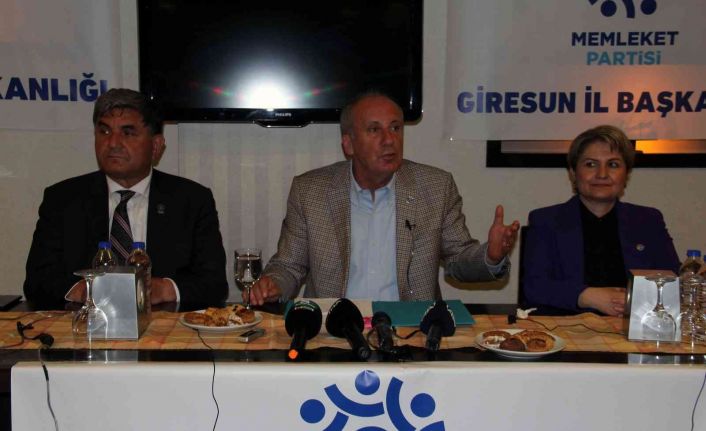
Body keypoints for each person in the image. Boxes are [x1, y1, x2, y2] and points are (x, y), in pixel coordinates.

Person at [247, 92, 519, 304]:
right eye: (374, 130)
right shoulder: (310, 191)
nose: (389, 140)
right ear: (349, 144)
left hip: (411, 332)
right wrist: (273, 284)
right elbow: (289, 266)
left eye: (395, 128)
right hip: (335, 330)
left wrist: (491, 255)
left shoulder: (435, 187)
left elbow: (459, 260)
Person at [24, 88, 228, 306]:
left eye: (127, 133)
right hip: (87, 325)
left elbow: (214, 285)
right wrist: (83, 290)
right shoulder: (62, 200)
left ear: (156, 146)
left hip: (162, 325)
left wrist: (163, 289)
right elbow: (37, 283)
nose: (113, 143)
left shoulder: (192, 200)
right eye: (104, 131)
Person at [522, 125, 680, 316]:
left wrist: (632, 299)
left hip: (635, 326)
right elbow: (534, 287)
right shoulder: (545, 220)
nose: (602, 174)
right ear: (573, 173)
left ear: (626, 174)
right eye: (590, 164)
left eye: (613, 165)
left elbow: (672, 282)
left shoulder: (648, 221)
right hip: (567, 328)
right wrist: (587, 296)